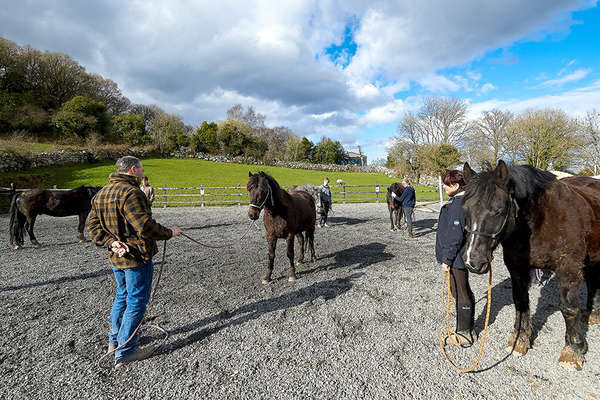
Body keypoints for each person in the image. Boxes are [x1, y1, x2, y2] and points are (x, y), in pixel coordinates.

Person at [88, 156, 182, 368]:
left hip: (116, 257)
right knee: (137, 300)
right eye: (140, 168)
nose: (142, 172)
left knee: (122, 296)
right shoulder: (132, 193)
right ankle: (126, 352)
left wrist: (111, 242)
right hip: (137, 257)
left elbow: (93, 229)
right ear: (132, 170)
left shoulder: (100, 194)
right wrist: (170, 233)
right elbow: (144, 227)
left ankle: (114, 342)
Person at [436, 169, 475, 346]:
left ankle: (465, 332)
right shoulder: (458, 202)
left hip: (457, 257)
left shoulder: (459, 204)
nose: (444, 187)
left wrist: (447, 259)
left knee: (461, 290)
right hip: (456, 256)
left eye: (446, 184)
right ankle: (464, 326)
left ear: (456, 185)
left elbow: (455, 235)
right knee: (457, 289)